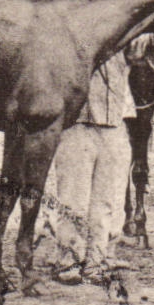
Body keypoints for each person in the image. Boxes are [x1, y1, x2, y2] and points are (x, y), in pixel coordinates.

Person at [52, 47, 135, 284]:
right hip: (76, 124)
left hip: (112, 122)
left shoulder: (121, 32)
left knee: (106, 200)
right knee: (73, 199)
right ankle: (68, 260)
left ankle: (97, 260)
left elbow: (139, 53)